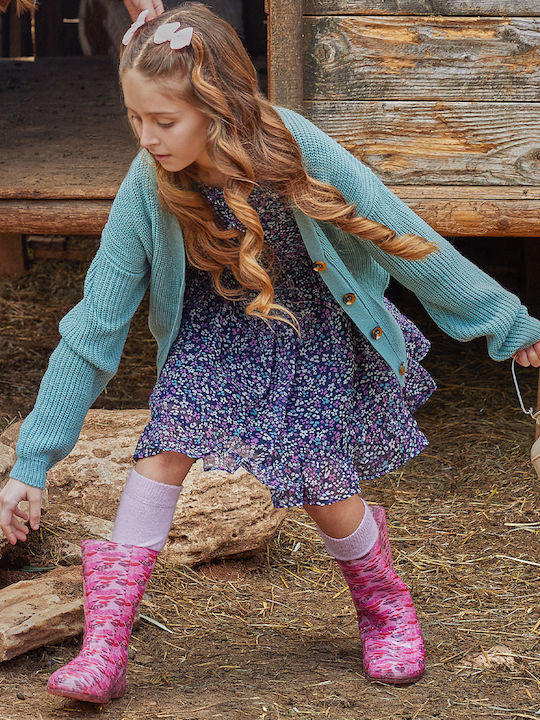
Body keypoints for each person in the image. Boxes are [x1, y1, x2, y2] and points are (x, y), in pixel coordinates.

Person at [1, 1, 539, 704]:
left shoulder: (295, 146)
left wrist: (509, 322)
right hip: (213, 332)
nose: (149, 138)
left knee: (323, 488)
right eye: (136, 119)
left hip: (309, 327)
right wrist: (33, 462)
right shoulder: (148, 184)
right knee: (161, 451)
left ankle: (384, 605)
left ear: (218, 107)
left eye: (165, 121)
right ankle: (106, 645)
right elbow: (94, 328)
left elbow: (402, 234)